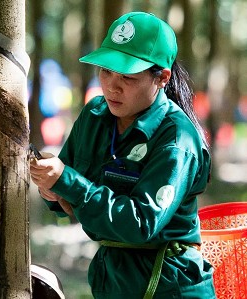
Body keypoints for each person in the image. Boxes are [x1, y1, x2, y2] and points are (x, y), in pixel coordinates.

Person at [30, 11, 216, 299]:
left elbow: (139, 223)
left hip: (167, 285)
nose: (111, 86)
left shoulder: (177, 138)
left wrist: (69, 184)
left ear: (162, 78)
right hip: (113, 279)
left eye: (127, 77)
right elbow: (65, 193)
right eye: (106, 71)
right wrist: (52, 187)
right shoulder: (94, 115)